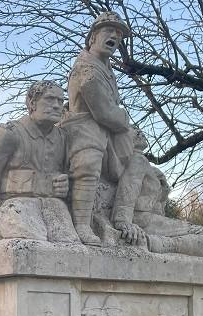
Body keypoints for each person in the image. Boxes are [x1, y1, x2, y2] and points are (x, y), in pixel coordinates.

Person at [0, 80, 80, 244]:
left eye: (60, 101)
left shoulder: (63, 138)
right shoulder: (9, 133)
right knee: (31, 242)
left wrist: (65, 185)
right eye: (49, 99)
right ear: (32, 103)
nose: (57, 105)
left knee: (70, 244)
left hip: (53, 205)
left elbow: (70, 173)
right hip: (15, 205)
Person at [61, 12, 135, 246]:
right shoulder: (87, 70)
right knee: (89, 161)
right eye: (109, 30)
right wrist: (124, 119)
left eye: (119, 33)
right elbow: (105, 113)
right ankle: (82, 224)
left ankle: (123, 217)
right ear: (93, 37)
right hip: (84, 130)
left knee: (139, 163)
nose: (115, 35)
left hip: (106, 134)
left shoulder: (105, 67)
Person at [113, 128, 203, 257]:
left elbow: (156, 206)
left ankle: (156, 244)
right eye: (134, 130)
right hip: (143, 221)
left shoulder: (146, 165)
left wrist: (163, 187)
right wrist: (123, 222)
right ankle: (152, 244)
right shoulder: (138, 159)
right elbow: (128, 188)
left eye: (140, 130)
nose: (140, 133)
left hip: (149, 220)